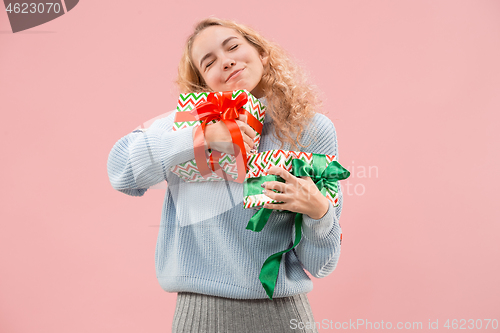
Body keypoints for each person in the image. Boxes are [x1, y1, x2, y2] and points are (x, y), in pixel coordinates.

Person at [107, 16, 345, 333]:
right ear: (204, 83)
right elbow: (120, 171)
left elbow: (322, 264)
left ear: (262, 52)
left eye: (232, 47)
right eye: (209, 63)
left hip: (285, 319)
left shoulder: (312, 131)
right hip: (199, 319)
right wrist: (203, 137)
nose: (226, 61)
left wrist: (319, 211)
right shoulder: (186, 123)